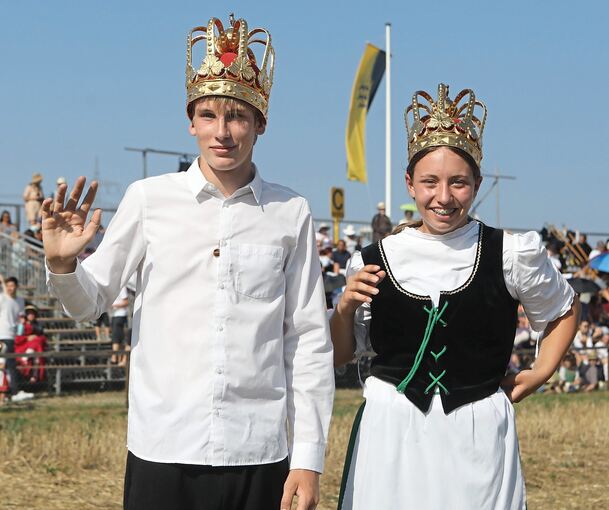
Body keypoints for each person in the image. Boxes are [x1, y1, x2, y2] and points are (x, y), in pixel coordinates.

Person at [42, 13, 333, 510]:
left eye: (238, 116)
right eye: (209, 116)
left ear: (261, 123)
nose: (223, 132)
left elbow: (306, 339)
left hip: (258, 450)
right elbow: (89, 303)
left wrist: (308, 458)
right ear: (190, 120)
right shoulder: (148, 199)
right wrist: (63, 266)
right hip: (163, 447)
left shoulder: (291, 212)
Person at [330, 84, 579, 509]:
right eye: (430, 182)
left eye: (458, 183)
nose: (443, 197)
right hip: (393, 432)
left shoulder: (510, 252)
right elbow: (340, 354)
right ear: (410, 184)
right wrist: (344, 307)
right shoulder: (372, 260)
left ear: (477, 183)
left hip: (477, 433)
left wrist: (540, 373)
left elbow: (562, 309)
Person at [110, 286, 129, 365]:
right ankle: (118, 358)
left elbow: (126, 302)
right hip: (114, 315)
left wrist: (114, 306)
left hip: (121, 315)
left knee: (116, 337)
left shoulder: (122, 287)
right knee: (119, 338)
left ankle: (114, 359)